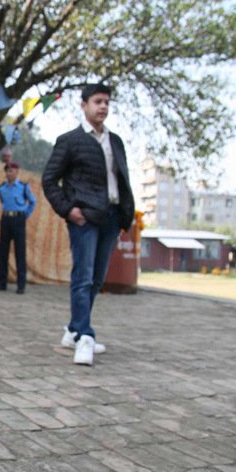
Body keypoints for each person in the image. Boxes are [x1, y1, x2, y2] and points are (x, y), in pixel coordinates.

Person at [41, 83, 135, 366]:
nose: (103, 106)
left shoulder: (115, 141)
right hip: (84, 218)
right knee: (82, 277)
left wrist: (125, 215)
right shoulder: (70, 140)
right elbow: (49, 180)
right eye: (97, 101)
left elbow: (121, 180)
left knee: (96, 280)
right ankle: (86, 337)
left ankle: (73, 331)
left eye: (107, 102)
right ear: (84, 105)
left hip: (112, 217)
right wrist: (69, 210)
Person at [0, 151, 36, 294]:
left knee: (20, 252)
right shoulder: (1, 188)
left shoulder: (23, 187)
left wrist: (25, 215)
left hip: (18, 220)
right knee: (3, 251)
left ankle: (21, 284)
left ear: (17, 172)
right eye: (8, 171)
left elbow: (33, 202)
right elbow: (2, 201)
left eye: (12, 170)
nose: (10, 173)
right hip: (6, 219)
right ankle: (1, 283)